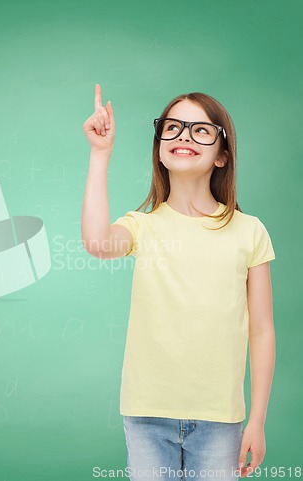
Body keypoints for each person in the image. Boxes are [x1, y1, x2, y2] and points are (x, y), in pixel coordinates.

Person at [81, 84, 276, 481]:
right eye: (172, 127)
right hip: (147, 415)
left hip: (221, 419)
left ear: (222, 155)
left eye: (200, 130)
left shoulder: (250, 231)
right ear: (159, 146)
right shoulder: (143, 227)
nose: (183, 135)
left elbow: (262, 330)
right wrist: (100, 154)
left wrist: (256, 420)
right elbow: (98, 243)